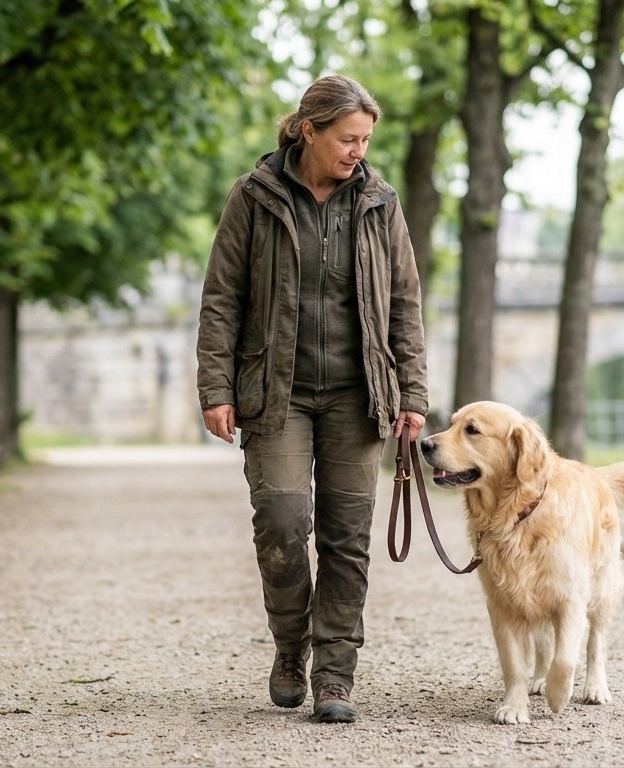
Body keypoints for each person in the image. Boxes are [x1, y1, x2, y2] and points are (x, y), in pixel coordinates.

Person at [195, 74, 428, 724]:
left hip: (360, 397)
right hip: (276, 394)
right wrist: (215, 386)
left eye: (364, 140)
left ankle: (334, 678)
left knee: (348, 538)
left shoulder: (379, 202)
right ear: (309, 130)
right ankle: (290, 646)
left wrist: (412, 391)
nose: (358, 150)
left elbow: (404, 304)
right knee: (282, 523)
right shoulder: (253, 197)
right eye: (347, 138)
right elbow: (221, 299)